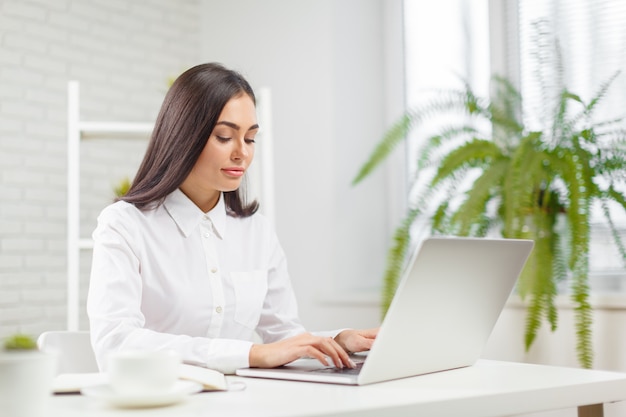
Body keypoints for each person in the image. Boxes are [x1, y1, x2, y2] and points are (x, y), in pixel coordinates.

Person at [87, 62, 378, 374]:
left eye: (250, 138)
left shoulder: (256, 232)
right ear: (183, 136)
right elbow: (115, 343)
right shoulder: (124, 225)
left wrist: (337, 341)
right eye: (224, 137)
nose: (242, 153)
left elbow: (283, 338)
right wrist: (250, 354)